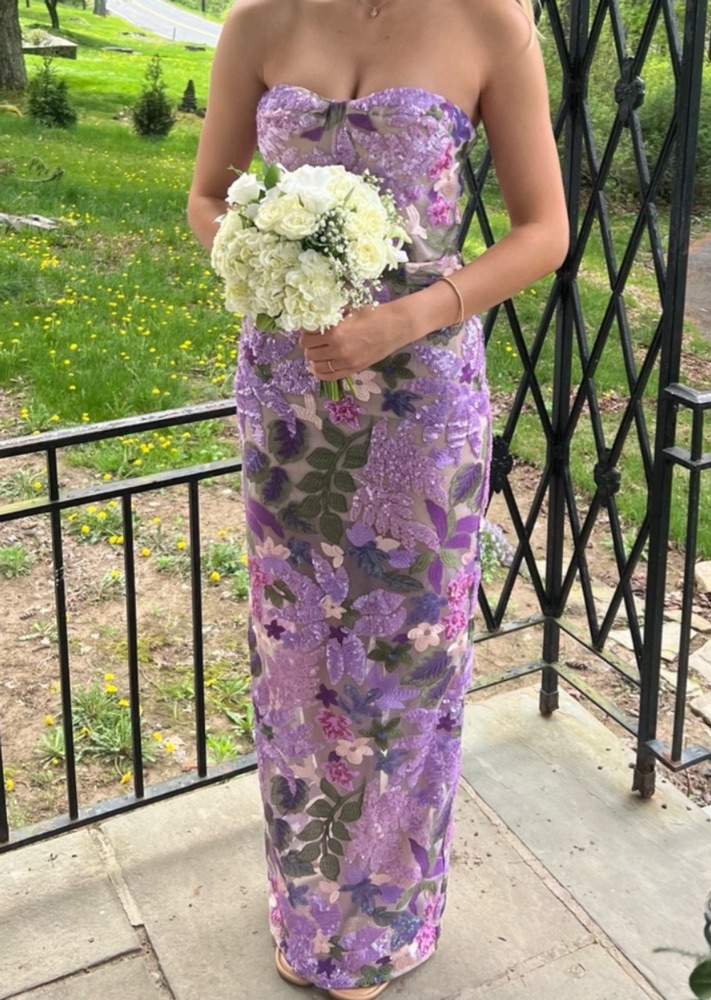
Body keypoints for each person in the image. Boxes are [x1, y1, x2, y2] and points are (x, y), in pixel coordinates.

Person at [187, 1, 568, 997]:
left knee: (408, 660)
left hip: (422, 398)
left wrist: (406, 318)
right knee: (295, 654)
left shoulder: (488, 22)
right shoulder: (258, 21)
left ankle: (383, 925)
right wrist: (267, 262)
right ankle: (307, 908)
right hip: (289, 391)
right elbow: (207, 196)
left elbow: (545, 231)